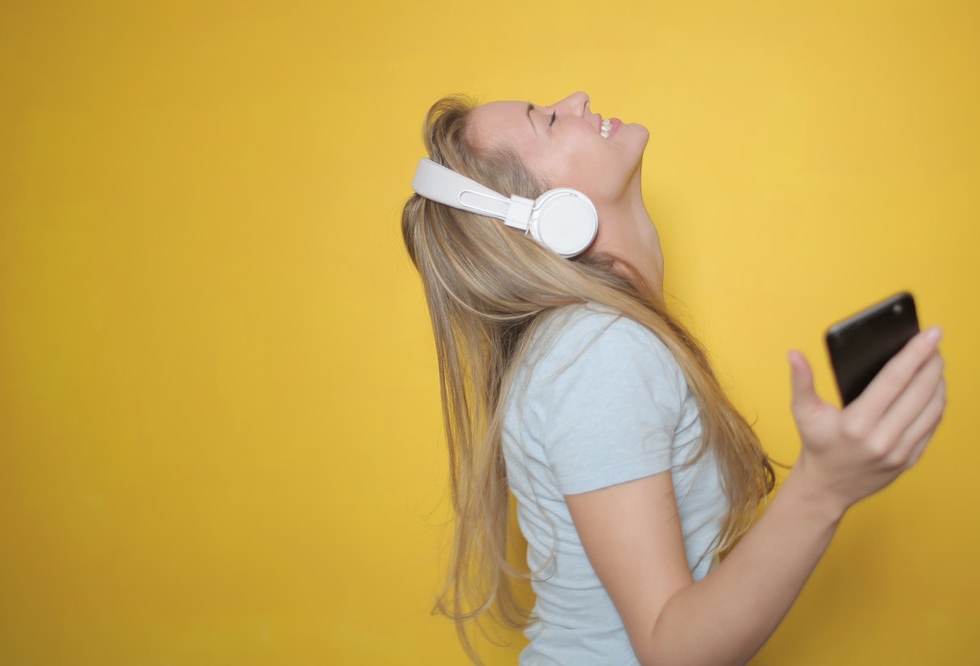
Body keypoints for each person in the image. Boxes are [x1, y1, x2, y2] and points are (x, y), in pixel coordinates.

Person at [401, 92, 946, 665]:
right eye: (549, 120)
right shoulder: (597, 352)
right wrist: (824, 487)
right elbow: (672, 651)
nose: (577, 99)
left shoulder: (596, 343)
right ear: (551, 214)